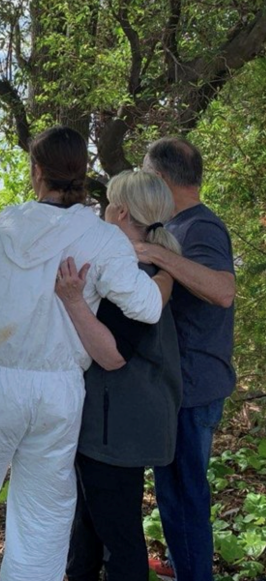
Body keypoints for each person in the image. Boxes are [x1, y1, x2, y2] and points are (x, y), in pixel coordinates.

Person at [0, 126, 167, 581]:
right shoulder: (103, 239)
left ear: (37, 170)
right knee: (42, 520)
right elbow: (146, 307)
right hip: (60, 392)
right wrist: (166, 270)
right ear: (82, 173)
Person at [56, 171, 183, 581]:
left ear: (122, 211)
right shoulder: (151, 270)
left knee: (119, 535)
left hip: (115, 430)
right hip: (120, 424)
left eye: (109, 203)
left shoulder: (130, 277)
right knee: (91, 528)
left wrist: (74, 300)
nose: (103, 210)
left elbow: (111, 356)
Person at [138, 137, 236, 581]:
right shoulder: (178, 225)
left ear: (159, 179)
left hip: (194, 389)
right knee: (172, 492)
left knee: (185, 494)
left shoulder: (201, 228)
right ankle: (185, 568)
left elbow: (222, 290)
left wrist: (158, 255)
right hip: (176, 387)